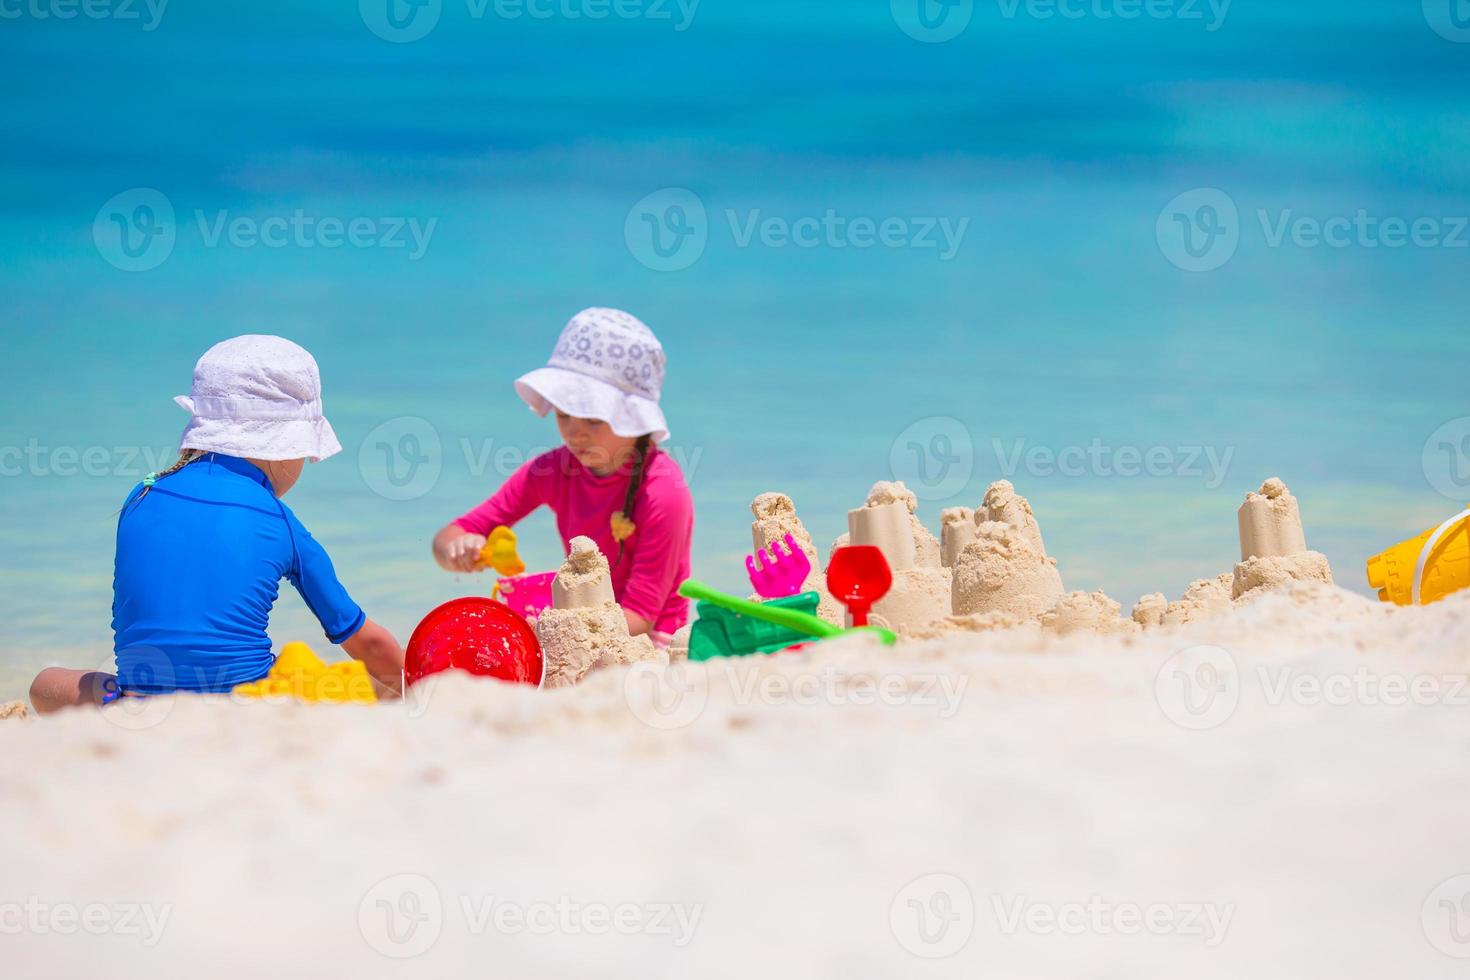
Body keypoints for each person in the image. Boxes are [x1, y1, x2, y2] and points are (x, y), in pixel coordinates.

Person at [28, 335, 404, 713]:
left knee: (45, 683)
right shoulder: (279, 520)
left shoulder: (141, 495)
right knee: (318, 672)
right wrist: (412, 688)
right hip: (243, 699)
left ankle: (121, 695)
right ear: (285, 447)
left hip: (139, 696)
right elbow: (369, 645)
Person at [432, 308, 694, 644]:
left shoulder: (663, 491)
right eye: (565, 413)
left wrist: (547, 629)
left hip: (653, 640)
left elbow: (641, 616)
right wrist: (459, 549)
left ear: (635, 421)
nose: (575, 433)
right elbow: (449, 536)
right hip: (586, 626)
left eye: (594, 419)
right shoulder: (553, 471)